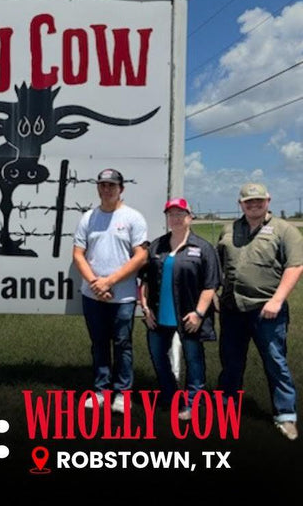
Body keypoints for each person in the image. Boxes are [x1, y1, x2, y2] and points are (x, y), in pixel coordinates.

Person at [217, 183, 303, 441]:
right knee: (231, 362)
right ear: (240, 203)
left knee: (275, 362)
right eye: (248, 201)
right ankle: (227, 407)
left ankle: (285, 415)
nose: (253, 205)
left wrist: (277, 300)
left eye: (258, 201)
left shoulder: (284, 230)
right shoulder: (229, 229)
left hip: (268, 310)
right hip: (233, 308)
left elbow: (295, 265)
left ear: (268, 201)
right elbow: (219, 264)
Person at [73, 168, 149, 413]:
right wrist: (96, 283)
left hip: (123, 296)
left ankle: (123, 394)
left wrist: (110, 281)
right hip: (92, 295)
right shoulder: (88, 218)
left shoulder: (133, 218)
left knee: (123, 344)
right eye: (103, 185)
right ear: (98, 188)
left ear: (121, 189)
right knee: (99, 344)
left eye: (112, 186)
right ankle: (101, 391)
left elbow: (140, 256)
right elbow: (78, 255)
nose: (107, 190)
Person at [139, 197, 220, 420]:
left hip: (189, 318)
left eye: (180, 214)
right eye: (170, 214)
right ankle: (172, 396)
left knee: (194, 359)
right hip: (158, 316)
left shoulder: (203, 248)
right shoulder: (156, 246)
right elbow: (144, 281)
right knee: (158, 356)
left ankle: (193, 402)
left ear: (189, 217)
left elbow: (211, 284)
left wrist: (199, 314)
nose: (175, 218)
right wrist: (145, 308)